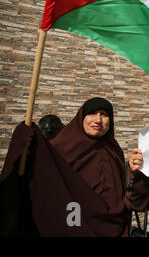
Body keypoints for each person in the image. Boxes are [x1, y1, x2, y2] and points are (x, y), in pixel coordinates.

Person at [0, 97, 129, 236]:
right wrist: (27, 141)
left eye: (104, 114)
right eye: (92, 114)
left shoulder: (114, 150)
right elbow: (44, 172)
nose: (98, 120)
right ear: (81, 117)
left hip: (112, 226)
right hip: (74, 220)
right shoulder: (63, 145)